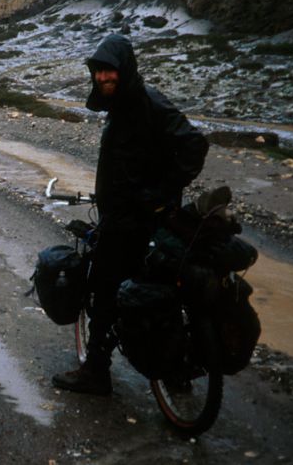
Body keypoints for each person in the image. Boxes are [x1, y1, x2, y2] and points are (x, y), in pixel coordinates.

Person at [52, 33, 209, 395]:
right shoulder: (122, 105)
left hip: (133, 224)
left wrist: (160, 193)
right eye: (99, 72)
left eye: (110, 71)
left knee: (103, 292)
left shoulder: (149, 103)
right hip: (129, 217)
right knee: (149, 292)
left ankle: (96, 371)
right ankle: (172, 370)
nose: (104, 78)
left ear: (126, 69)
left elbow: (194, 144)